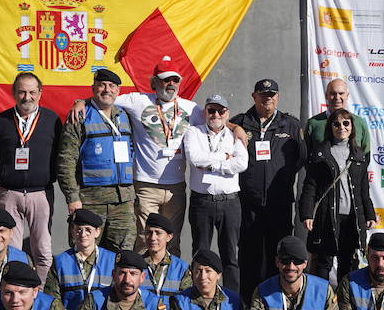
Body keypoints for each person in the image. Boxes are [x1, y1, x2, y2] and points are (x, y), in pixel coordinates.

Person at [113, 58, 199, 255]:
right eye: (165, 79)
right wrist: (80, 103)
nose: (171, 84)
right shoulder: (138, 101)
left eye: (175, 80)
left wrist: (235, 128)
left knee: (172, 240)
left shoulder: (191, 108)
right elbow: (105, 99)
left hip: (176, 187)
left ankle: (171, 284)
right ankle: (144, 283)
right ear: (154, 83)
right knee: (145, 240)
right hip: (146, 186)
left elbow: (216, 120)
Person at [234, 78, 306, 298]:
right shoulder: (240, 122)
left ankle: (276, 300)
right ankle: (248, 303)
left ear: (278, 97)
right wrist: (233, 126)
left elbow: (301, 158)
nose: (268, 99)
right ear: (254, 97)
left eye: (272, 95)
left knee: (280, 253)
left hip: (279, 202)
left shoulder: (291, 125)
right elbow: (215, 122)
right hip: (248, 203)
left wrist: (282, 178)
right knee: (249, 254)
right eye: (263, 95)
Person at [0, 72, 62, 280]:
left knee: (42, 250)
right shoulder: (1, 121)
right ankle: (13, 291)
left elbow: (61, 154)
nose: (27, 97)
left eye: (32, 92)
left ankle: (41, 295)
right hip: (9, 192)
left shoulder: (52, 120)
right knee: (11, 251)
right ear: (14, 93)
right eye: (21, 92)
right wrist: (4, 175)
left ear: (40, 93)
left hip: (41, 193)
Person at [56, 67, 136, 252]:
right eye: (102, 85)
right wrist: (72, 198)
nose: (107, 90)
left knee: (122, 255)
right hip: (89, 200)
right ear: (93, 88)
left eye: (112, 86)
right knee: (85, 253)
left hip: (123, 203)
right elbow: (66, 161)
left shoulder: (124, 115)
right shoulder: (79, 116)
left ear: (118, 91)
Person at [300, 107, 376, 283]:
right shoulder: (320, 154)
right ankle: (320, 305)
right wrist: (307, 213)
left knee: (348, 265)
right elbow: (310, 186)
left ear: (352, 126)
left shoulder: (358, 156)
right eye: (336, 123)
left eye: (346, 123)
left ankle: (345, 306)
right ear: (330, 127)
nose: (341, 127)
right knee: (322, 264)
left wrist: (369, 214)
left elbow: (363, 190)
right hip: (326, 217)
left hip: (351, 219)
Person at [183, 93, 249, 290]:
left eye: (221, 110)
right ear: (205, 112)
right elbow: (195, 159)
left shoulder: (235, 135)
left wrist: (211, 162)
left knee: (230, 254)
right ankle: (198, 297)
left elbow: (242, 163)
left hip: (230, 202)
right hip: (202, 202)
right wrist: (225, 159)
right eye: (212, 110)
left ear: (227, 113)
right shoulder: (193, 133)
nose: (216, 114)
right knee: (200, 252)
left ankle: (232, 302)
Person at [44, 208, 116, 310]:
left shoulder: (112, 260)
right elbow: (52, 301)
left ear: (97, 232)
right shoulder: (60, 262)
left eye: (88, 230)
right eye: (78, 229)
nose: (83, 234)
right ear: (72, 231)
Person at [305, 78, 372, 151]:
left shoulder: (359, 123)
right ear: (326, 96)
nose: (337, 97)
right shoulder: (313, 123)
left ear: (347, 95)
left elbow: (365, 156)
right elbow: (305, 154)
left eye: (341, 93)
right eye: (333, 93)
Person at [140, 212, 191, 299]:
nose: (152, 238)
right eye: (149, 232)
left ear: (169, 237)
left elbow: (186, 303)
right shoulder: (136, 265)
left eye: (158, 233)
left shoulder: (182, 269)